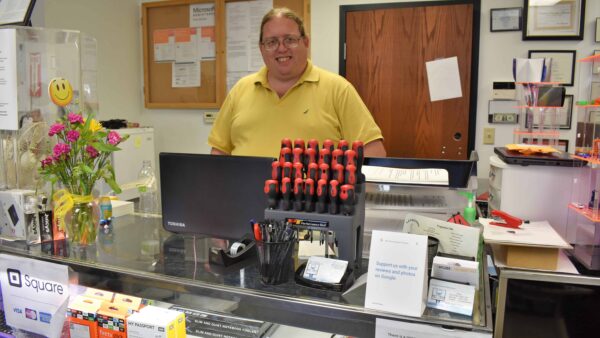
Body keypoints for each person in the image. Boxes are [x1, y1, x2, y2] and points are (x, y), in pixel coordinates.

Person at [208, 7, 386, 158]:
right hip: (245, 197)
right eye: (272, 42)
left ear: (306, 42)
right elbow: (219, 150)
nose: (281, 48)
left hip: (314, 198)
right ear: (261, 48)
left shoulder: (338, 89)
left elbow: (373, 151)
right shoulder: (240, 90)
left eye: (290, 40)